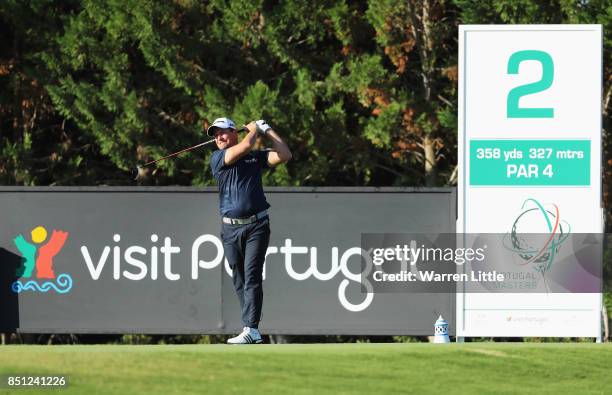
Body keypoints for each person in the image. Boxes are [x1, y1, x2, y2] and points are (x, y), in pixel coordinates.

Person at [208, 117, 291, 344]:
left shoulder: (255, 157)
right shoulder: (217, 158)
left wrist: (267, 130)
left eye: (223, 132)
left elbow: (285, 155)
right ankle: (252, 318)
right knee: (239, 278)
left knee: (252, 275)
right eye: (215, 135)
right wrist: (254, 130)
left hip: (257, 225)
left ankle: (251, 328)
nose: (219, 137)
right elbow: (245, 145)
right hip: (230, 230)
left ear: (234, 132)